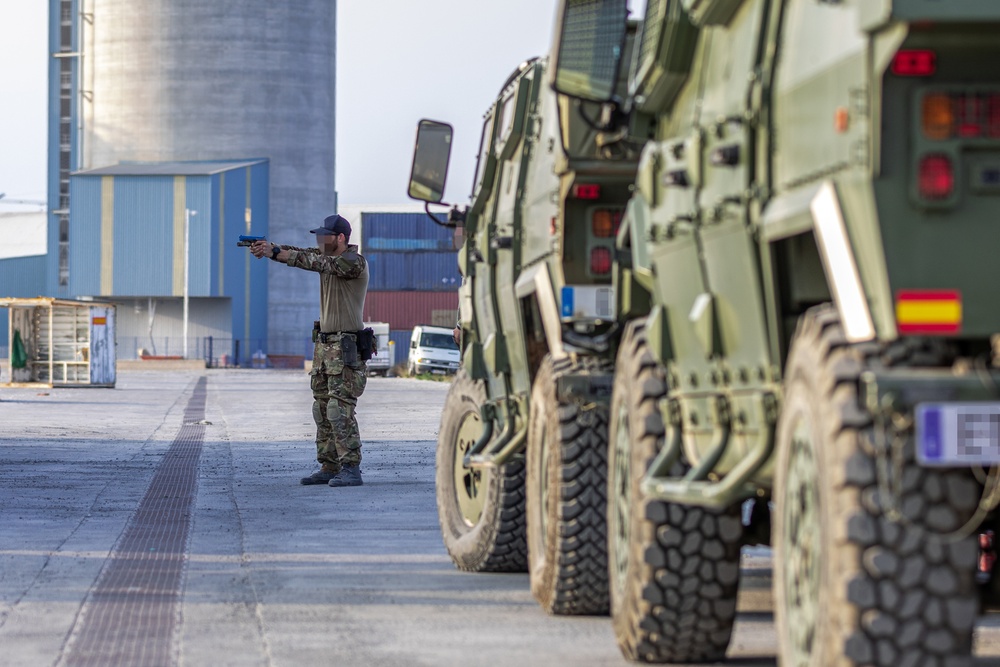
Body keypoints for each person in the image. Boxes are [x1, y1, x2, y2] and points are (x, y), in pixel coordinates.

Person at [250, 214, 369, 488]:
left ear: (341, 238)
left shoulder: (352, 262)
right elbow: (304, 253)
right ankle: (329, 465)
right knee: (323, 408)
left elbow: (313, 261)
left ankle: (351, 467)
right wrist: (270, 249)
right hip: (326, 347)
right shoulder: (326, 259)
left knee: (340, 409)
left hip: (346, 348)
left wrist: (276, 252)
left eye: (325, 236)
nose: (320, 240)